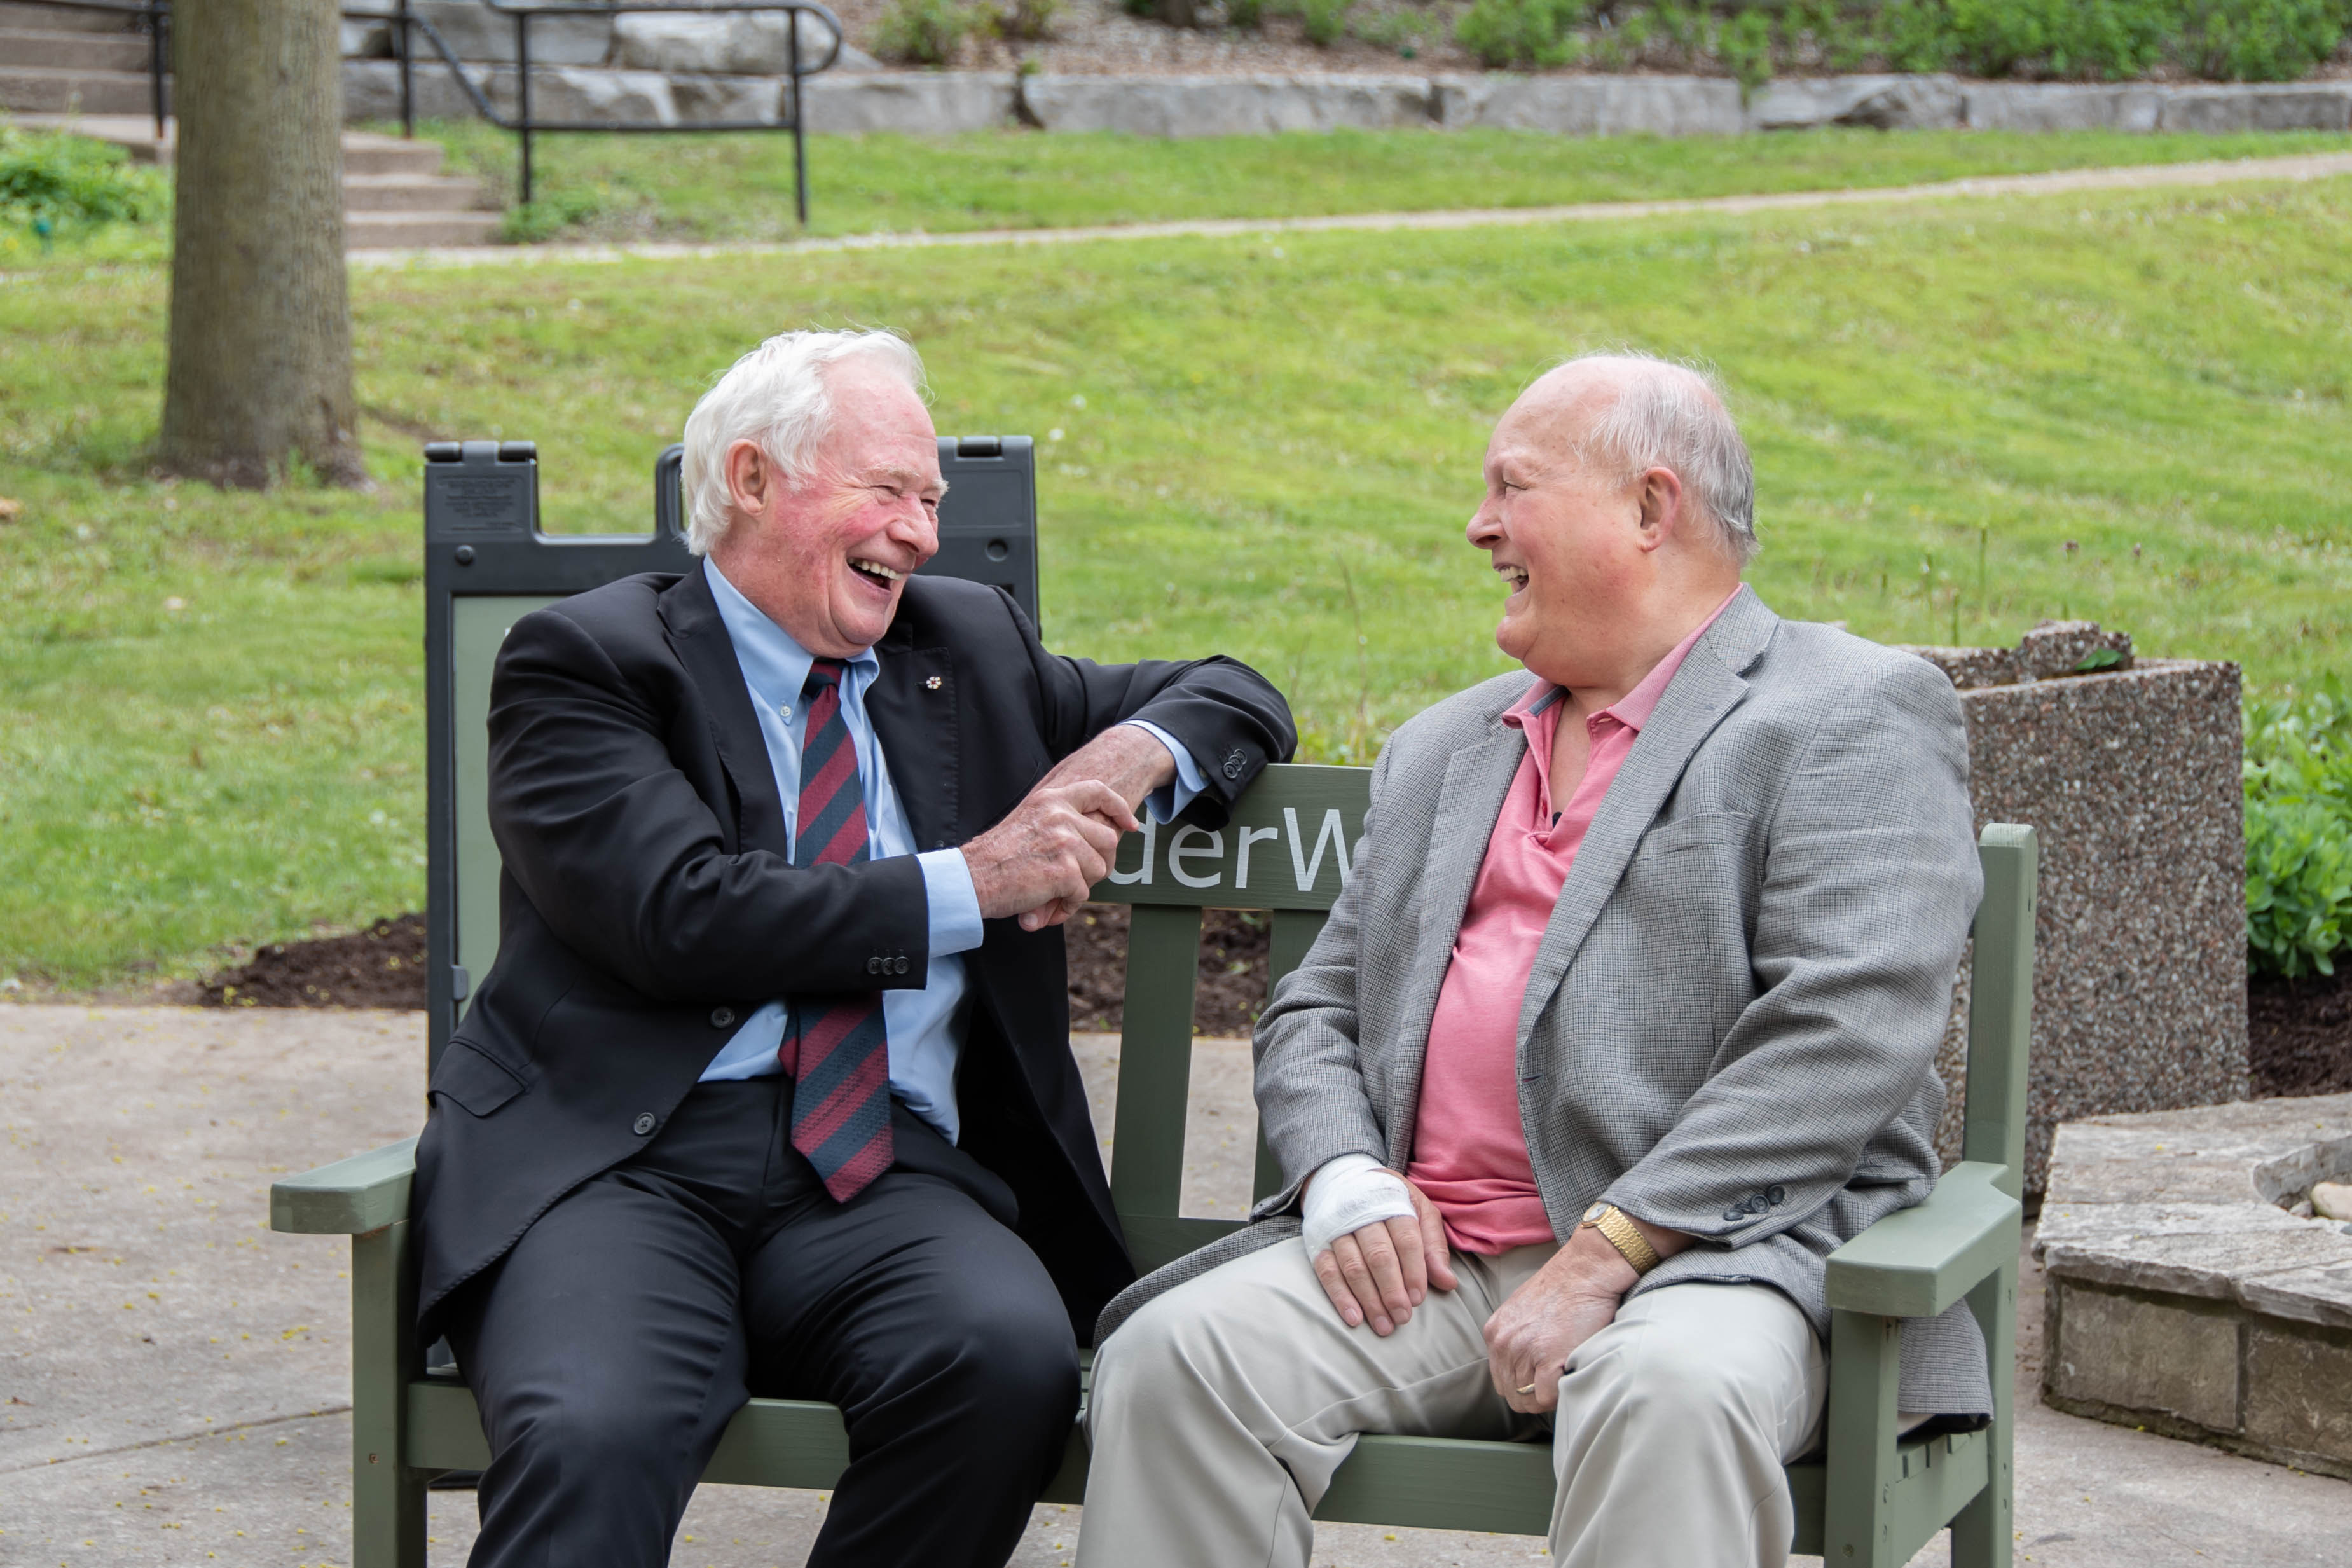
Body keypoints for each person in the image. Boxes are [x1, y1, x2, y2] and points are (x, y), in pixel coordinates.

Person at [1078, 352, 1988, 1568]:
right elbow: (1318, 1005)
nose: (1478, 525)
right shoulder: (1447, 744)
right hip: (1436, 1257)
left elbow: (1847, 1028)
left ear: (1651, 509)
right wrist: (1348, 1176)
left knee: (1666, 1394)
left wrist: (1608, 1248)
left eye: (1513, 487)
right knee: (1176, 1358)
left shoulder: (1849, 709)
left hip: (1725, 1259)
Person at [409, 329, 1295, 1568]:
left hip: (887, 1168)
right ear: (754, 479)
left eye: (931, 499)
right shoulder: (591, 661)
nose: (921, 532)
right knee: (590, 1426)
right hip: (626, 1167)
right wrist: (973, 881)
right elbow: (682, 916)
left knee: (1004, 1363)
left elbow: (1236, 689)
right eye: (886, 491)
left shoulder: (965, 646)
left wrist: (1123, 755)